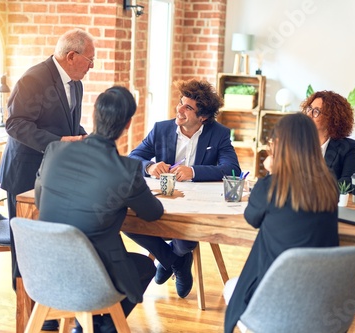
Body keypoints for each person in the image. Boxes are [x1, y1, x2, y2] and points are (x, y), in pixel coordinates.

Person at [35, 86, 164, 333]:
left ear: (94, 115)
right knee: (146, 267)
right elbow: (152, 214)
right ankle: (102, 326)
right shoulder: (126, 170)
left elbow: (40, 203)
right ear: (127, 124)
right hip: (91, 276)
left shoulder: (54, 150)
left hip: (43, 267)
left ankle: (89, 325)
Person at [0, 28, 95, 331]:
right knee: (26, 247)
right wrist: (57, 143)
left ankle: (49, 305)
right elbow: (15, 124)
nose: (92, 65)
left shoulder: (74, 83)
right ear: (72, 56)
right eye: (90, 60)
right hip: (25, 174)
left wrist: (84, 137)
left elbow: (66, 123)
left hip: (54, 177)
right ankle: (30, 312)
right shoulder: (33, 79)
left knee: (51, 243)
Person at [125, 78, 241, 299]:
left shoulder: (219, 134)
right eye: (181, 102)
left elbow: (232, 169)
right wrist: (149, 166)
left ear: (203, 116)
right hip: (163, 200)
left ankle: (172, 257)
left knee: (188, 234)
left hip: (197, 207)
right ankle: (176, 260)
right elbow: (133, 157)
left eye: (188, 107)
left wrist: (194, 171)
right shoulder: (161, 129)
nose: (179, 109)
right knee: (127, 221)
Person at [224, 113, 339, 333]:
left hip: (276, 296)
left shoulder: (270, 186)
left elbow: (251, 218)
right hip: (320, 297)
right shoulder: (329, 181)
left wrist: (270, 172)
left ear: (279, 144)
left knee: (231, 287)